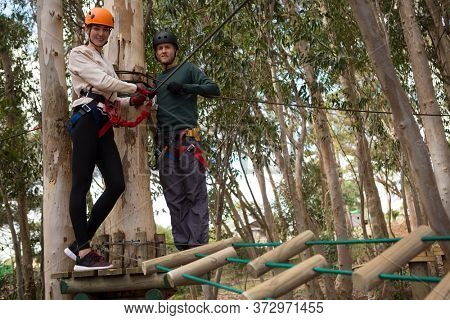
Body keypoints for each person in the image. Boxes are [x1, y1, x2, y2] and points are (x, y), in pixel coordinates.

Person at [65, 7, 154, 271]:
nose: (101, 33)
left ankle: (79, 243)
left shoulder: (105, 62)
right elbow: (101, 82)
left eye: (105, 30)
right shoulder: (78, 54)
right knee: (81, 184)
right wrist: (135, 87)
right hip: (85, 120)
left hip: (102, 121)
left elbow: (113, 96)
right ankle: (83, 252)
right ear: (87, 29)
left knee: (116, 183)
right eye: (97, 29)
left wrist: (134, 99)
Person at [152, 30, 220, 251]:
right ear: (156, 53)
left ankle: (198, 247)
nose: (164, 51)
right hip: (165, 147)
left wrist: (185, 88)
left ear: (175, 50)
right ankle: (184, 249)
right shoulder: (155, 81)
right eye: (160, 48)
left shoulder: (187, 70)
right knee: (175, 199)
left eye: (167, 47)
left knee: (195, 194)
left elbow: (214, 89)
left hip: (187, 142)